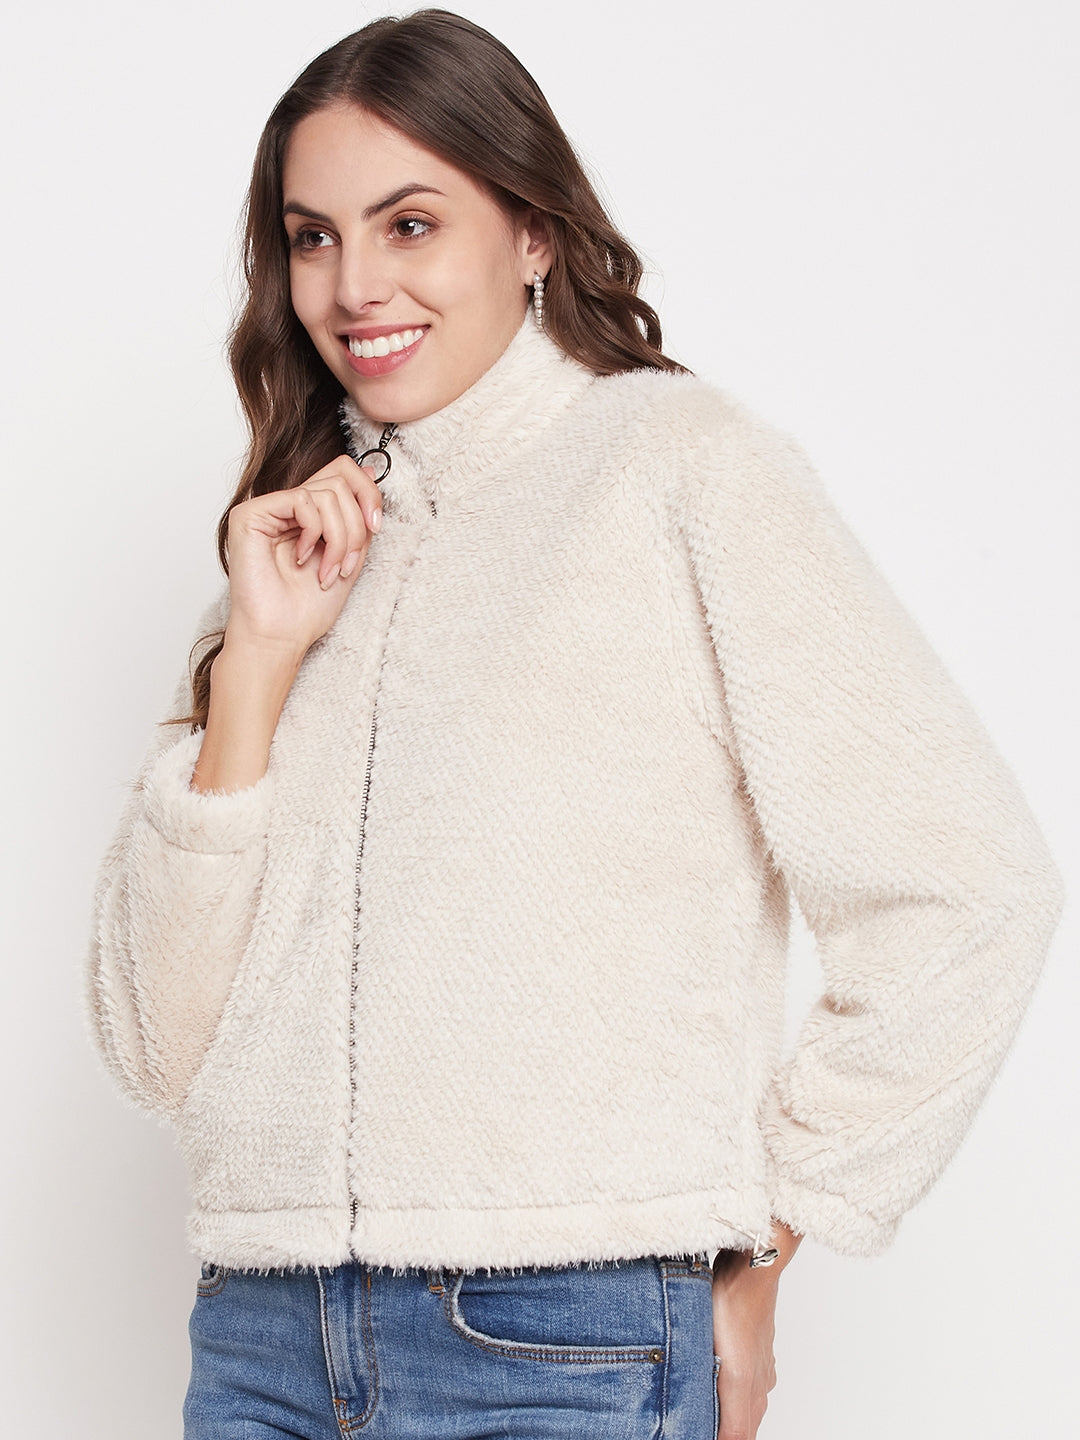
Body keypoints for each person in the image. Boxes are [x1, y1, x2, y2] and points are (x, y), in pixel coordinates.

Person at [84, 9, 1065, 1439]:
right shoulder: (287, 561)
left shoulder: (680, 473)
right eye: (312, 238)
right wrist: (255, 673)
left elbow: (968, 888)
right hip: (260, 1339)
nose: (355, 285)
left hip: (559, 1343)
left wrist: (770, 1240)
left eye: (411, 223)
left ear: (533, 231)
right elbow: (154, 1051)